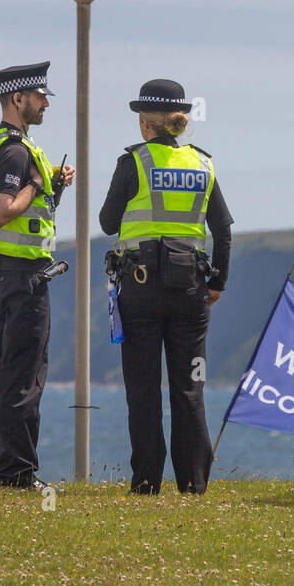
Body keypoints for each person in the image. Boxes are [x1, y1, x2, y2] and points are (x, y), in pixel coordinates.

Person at [99, 79, 233, 495]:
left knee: (143, 389)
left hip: (139, 288)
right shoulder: (203, 164)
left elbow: (107, 222)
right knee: (189, 388)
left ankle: (145, 484)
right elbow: (223, 231)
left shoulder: (133, 162)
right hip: (191, 290)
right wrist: (218, 284)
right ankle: (193, 483)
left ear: (145, 123)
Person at [0, 61, 75, 490]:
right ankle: (17, 474)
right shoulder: (16, 150)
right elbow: (1, 211)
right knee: (24, 377)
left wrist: (50, 184)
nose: (46, 102)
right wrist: (35, 184)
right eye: (40, 96)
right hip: (23, 279)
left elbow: (22, 215)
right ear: (18, 99)